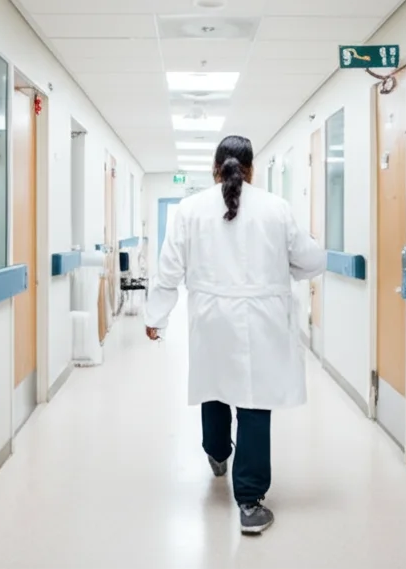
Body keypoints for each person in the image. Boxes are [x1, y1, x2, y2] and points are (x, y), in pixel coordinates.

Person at [145, 135, 327, 535]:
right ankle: (249, 502)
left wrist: (155, 316)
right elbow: (310, 259)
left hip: (211, 317)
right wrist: (285, 271)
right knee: (255, 402)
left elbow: (169, 268)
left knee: (215, 386)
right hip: (263, 319)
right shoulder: (276, 208)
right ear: (251, 169)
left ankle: (217, 454)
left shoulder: (188, 209)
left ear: (215, 169)